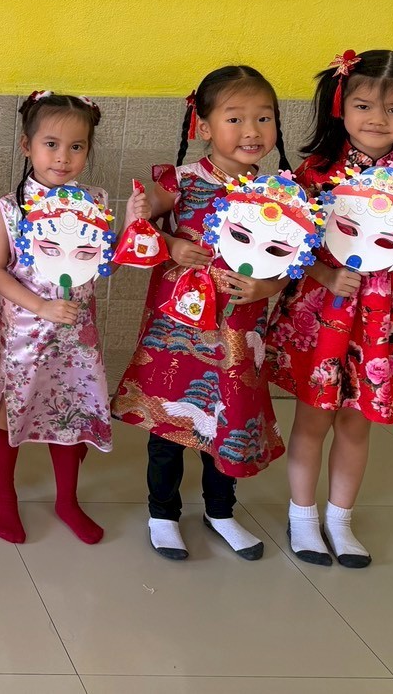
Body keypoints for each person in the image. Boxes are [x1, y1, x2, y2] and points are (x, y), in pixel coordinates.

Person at [268, 50, 393, 568]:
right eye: (363, 106)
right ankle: (302, 518)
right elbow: (286, 241)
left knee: (357, 423)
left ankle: (340, 519)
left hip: (383, 316)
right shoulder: (314, 172)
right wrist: (324, 273)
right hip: (325, 310)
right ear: (340, 105)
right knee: (313, 419)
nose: (377, 119)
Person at [112, 65, 292, 562]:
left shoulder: (280, 195)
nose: (252, 131)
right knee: (169, 426)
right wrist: (168, 241)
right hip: (178, 331)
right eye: (235, 118)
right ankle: (162, 513)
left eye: (264, 118)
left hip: (239, 332)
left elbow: (292, 265)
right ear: (204, 126)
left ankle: (221, 511)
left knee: (228, 420)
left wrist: (266, 286)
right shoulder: (182, 181)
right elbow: (138, 229)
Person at [0, 92, 143, 545]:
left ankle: (67, 500)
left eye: (76, 146)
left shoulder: (95, 201)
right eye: (51, 144)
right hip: (25, 332)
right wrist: (41, 306)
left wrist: (130, 224)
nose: (63, 157)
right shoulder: (11, 208)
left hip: (77, 334)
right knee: (12, 408)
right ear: (27, 145)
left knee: (73, 409)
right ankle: (4, 496)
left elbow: (105, 265)